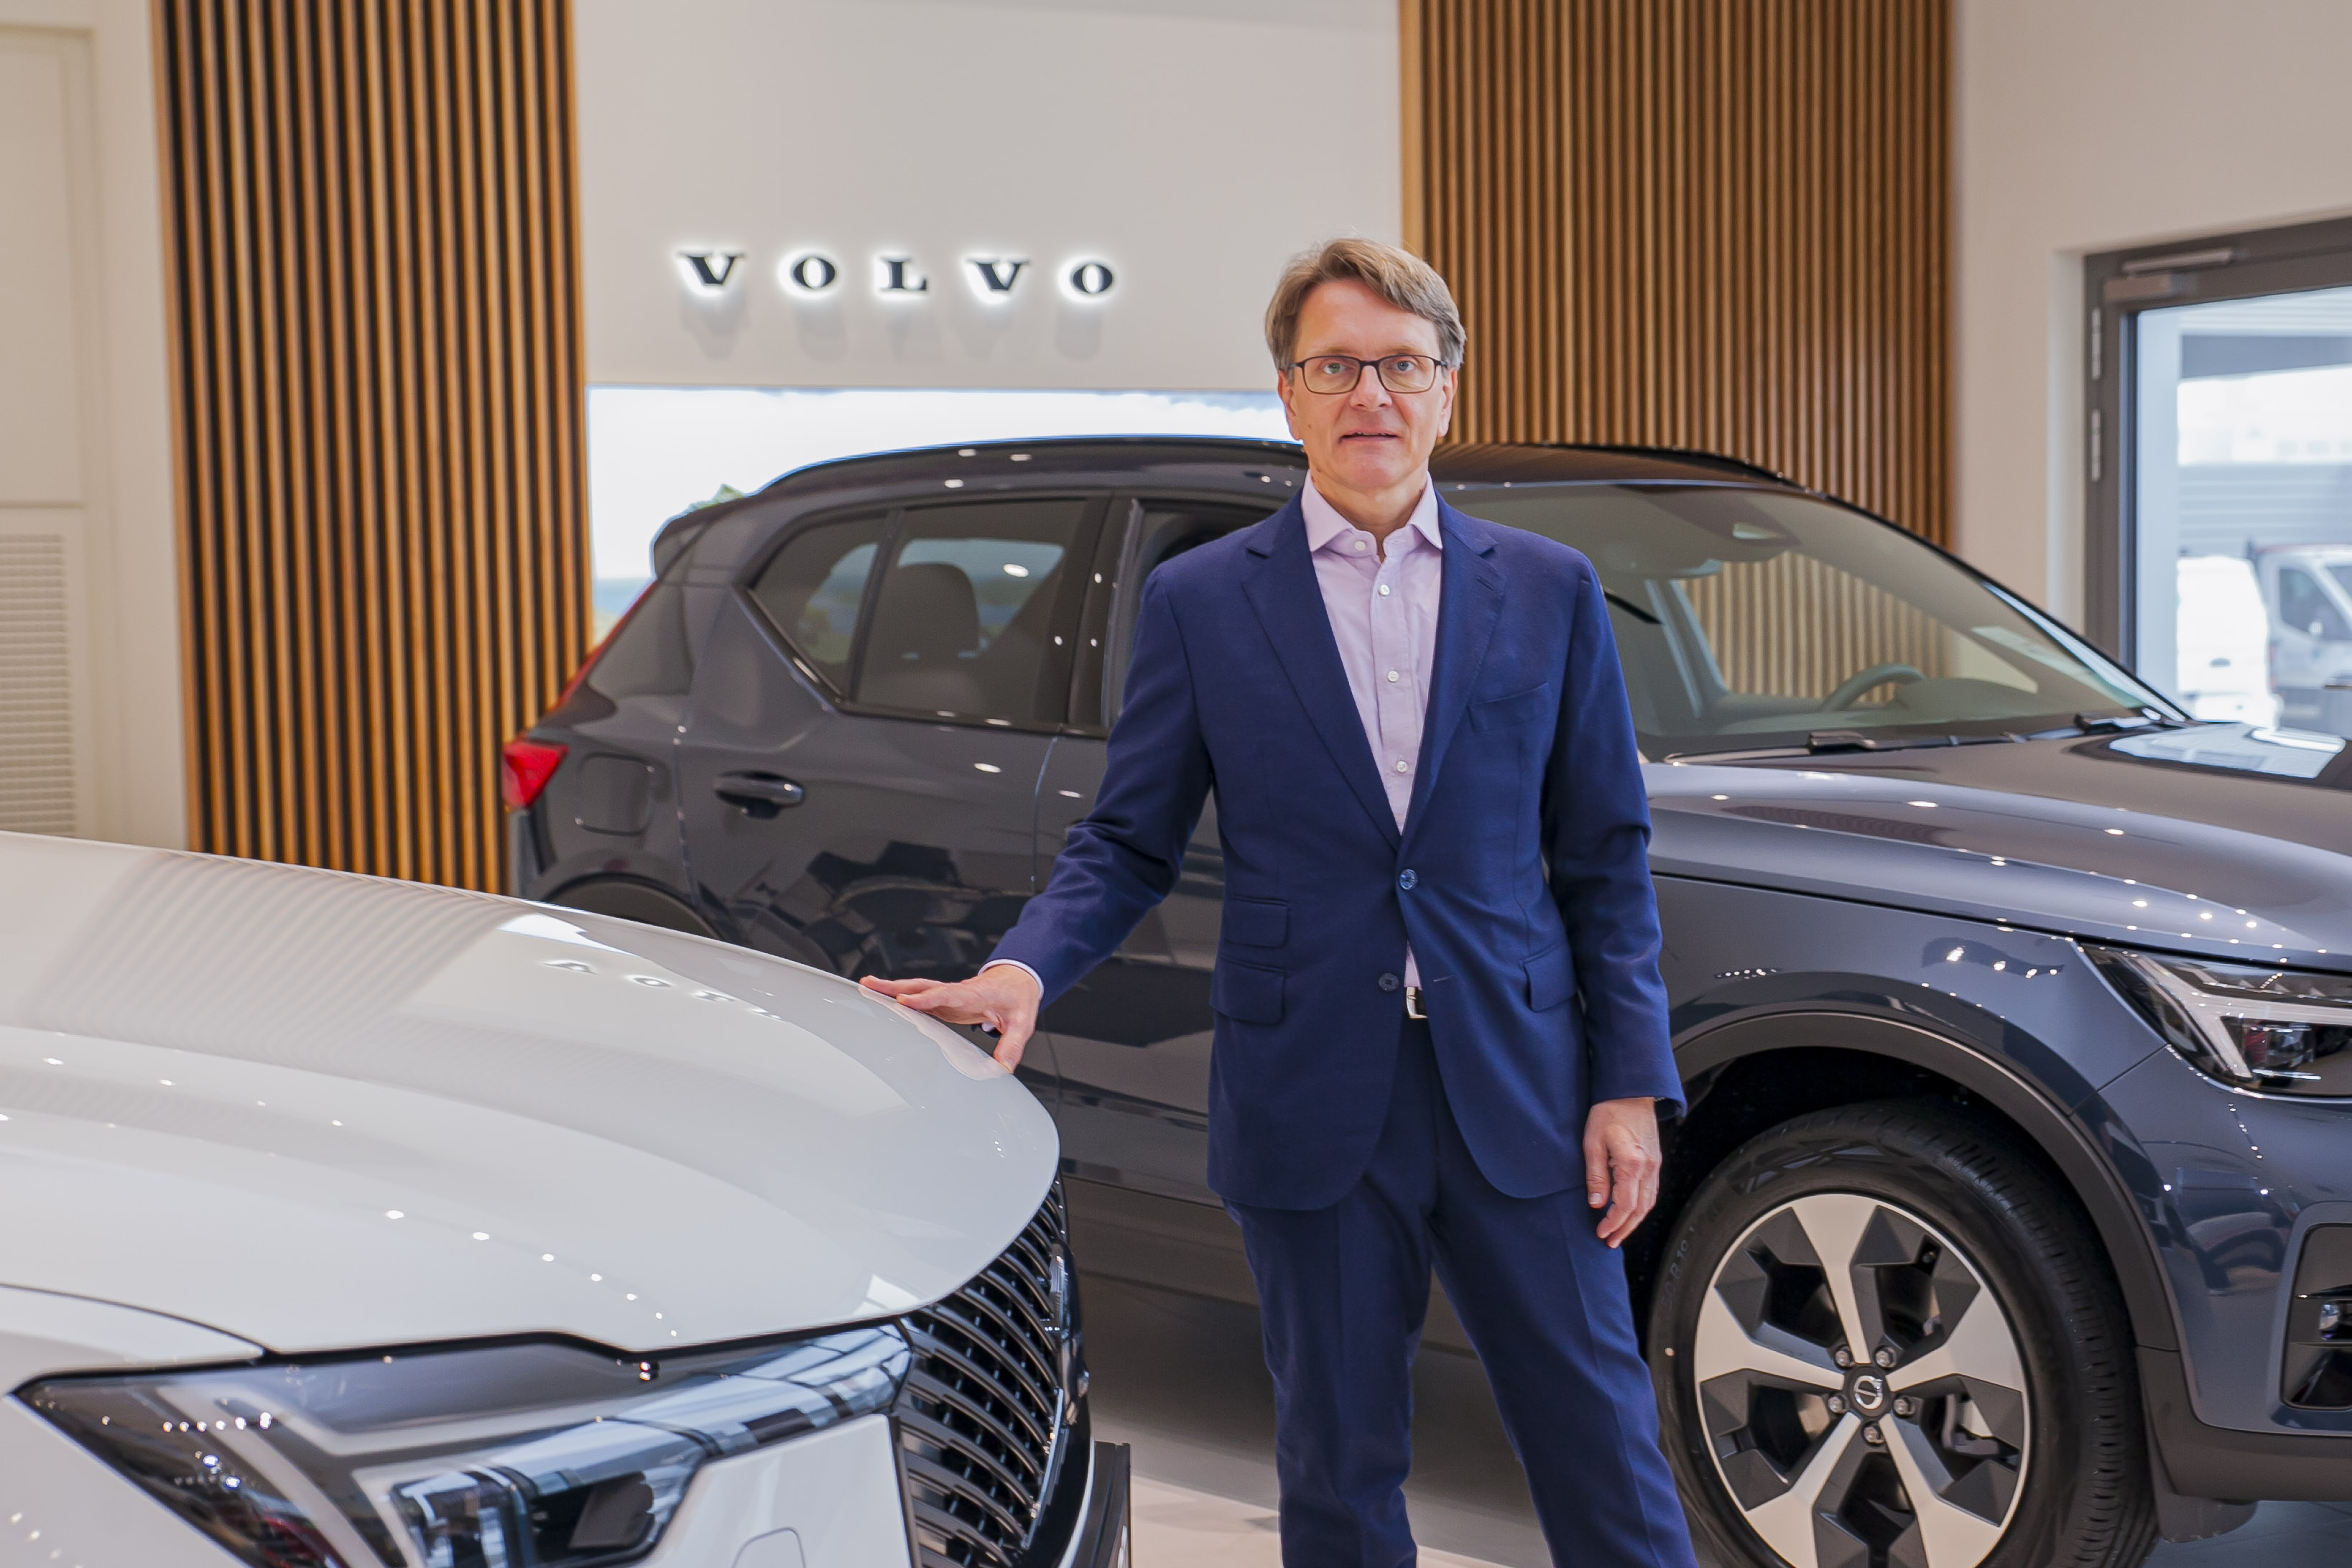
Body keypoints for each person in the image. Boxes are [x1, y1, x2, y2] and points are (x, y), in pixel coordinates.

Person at [861, 237, 1699, 1568]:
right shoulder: (1203, 602)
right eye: (1335, 366)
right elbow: (1127, 840)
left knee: (1603, 1445)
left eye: (1401, 365)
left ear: (1446, 388)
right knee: (1338, 1465)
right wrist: (1021, 970)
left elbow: (1604, 857)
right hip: (1310, 1090)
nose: (1370, 394)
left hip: (1522, 1088)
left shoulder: (1547, 590)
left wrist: (1628, 1084)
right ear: (1288, 392)